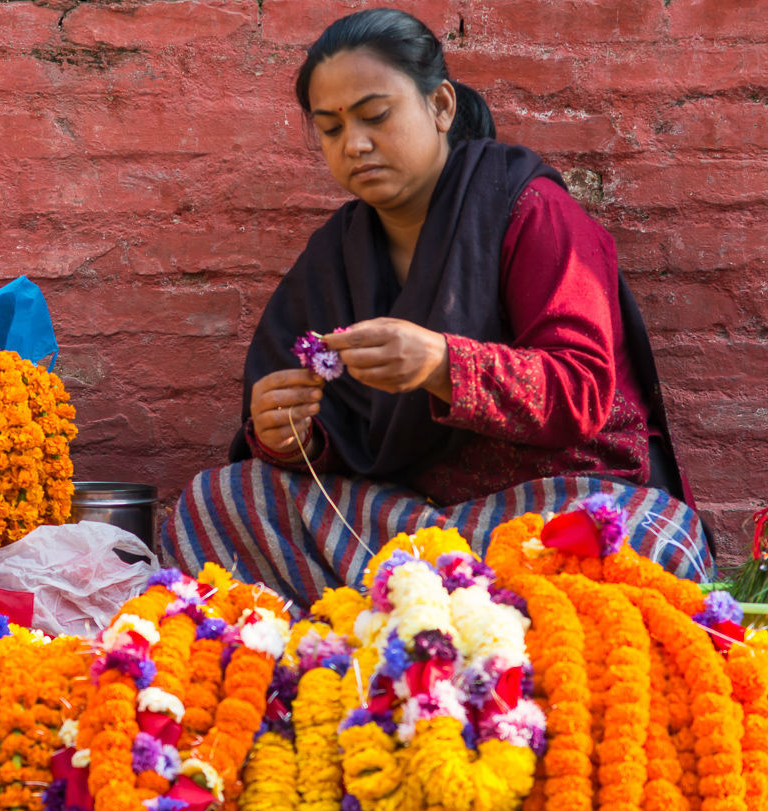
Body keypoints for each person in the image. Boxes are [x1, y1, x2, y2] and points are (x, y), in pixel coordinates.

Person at [160, 8, 714, 608]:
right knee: (216, 502)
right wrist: (288, 436)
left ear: (441, 106)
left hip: (553, 508)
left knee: (652, 541)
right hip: (400, 526)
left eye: (375, 116)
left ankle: (419, 616)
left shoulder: (528, 210)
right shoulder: (335, 257)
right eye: (330, 129)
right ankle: (439, 615)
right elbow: (328, 441)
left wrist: (441, 364)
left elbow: (579, 387)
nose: (356, 144)